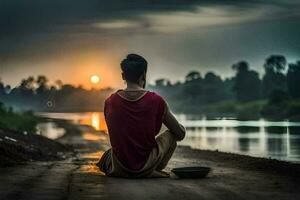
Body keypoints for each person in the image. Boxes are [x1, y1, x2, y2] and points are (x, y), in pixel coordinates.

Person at [96, 53, 185, 178]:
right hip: (145, 164)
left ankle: (139, 170)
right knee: (171, 135)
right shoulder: (157, 101)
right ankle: (150, 170)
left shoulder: (110, 101)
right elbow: (180, 134)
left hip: (119, 167)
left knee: (107, 155)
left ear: (123, 76)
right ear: (143, 75)